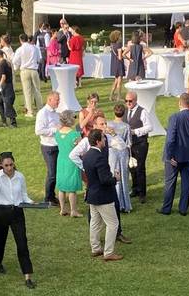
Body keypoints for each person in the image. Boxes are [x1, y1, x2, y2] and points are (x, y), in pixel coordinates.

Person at [0, 153, 36, 289]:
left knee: (22, 243)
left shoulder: (20, 176)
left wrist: (31, 202)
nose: (9, 168)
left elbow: (24, 195)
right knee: (0, 240)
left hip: (17, 213)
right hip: (1, 212)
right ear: (1, 165)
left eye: (11, 165)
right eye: (6, 165)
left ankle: (27, 276)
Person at [159, 93, 189, 216]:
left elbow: (170, 139)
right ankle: (183, 208)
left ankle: (167, 208)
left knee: (170, 182)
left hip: (174, 156)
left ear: (180, 103)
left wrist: (169, 156)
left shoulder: (174, 117)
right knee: (186, 181)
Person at [81, 129, 122, 261]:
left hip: (92, 194)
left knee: (95, 222)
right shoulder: (100, 158)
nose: (105, 140)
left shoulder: (86, 155)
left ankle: (96, 248)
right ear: (98, 141)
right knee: (113, 223)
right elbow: (105, 180)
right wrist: (116, 178)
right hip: (103, 196)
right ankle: (108, 252)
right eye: (103, 139)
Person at [123, 92, 152, 204]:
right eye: (126, 101)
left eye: (130, 101)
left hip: (140, 143)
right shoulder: (125, 111)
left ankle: (142, 193)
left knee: (140, 168)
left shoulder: (143, 111)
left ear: (135, 100)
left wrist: (136, 132)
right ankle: (135, 188)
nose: (128, 103)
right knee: (131, 168)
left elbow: (149, 127)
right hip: (129, 145)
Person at [35, 92, 61, 207]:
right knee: (52, 174)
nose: (58, 102)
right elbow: (39, 130)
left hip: (57, 145)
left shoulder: (55, 113)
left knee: (56, 172)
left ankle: (52, 196)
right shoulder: (43, 113)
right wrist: (54, 130)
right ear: (49, 100)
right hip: (48, 147)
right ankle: (48, 197)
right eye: (57, 100)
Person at [54, 110, 83, 217]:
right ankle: (73, 211)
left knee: (61, 187)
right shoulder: (75, 134)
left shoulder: (57, 133)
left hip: (61, 160)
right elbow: (80, 148)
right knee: (72, 188)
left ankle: (62, 209)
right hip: (71, 161)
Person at [107, 104, 133, 212]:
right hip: (123, 153)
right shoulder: (126, 126)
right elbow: (129, 143)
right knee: (124, 177)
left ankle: (116, 203)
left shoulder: (108, 124)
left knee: (114, 176)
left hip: (112, 152)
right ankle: (125, 205)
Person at [13, 34, 44, 116]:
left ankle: (30, 111)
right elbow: (39, 59)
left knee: (27, 92)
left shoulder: (20, 49)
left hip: (24, 70)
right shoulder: (34, 48)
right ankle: (40, 109)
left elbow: (15, 61)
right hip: (34, 70)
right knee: (37, 90)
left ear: (20, 40)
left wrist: (19, 64)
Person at [0, 49, 17, 128]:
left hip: (6, 87)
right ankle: (4, 121)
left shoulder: (2, 63)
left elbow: (3, 77)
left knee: (8, 104)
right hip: (7, 86)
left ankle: (13, 123)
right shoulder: (7, 62)